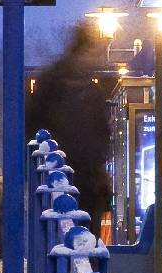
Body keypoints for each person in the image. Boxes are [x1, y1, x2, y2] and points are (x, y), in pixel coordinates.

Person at [25, 25, 114, 221]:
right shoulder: (84, 89)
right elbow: (102, 134)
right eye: (92, 52)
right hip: (70, 176)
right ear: (82, 51)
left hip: (64, 176)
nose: (94, 59)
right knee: (81, 230)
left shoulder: (54, 82)